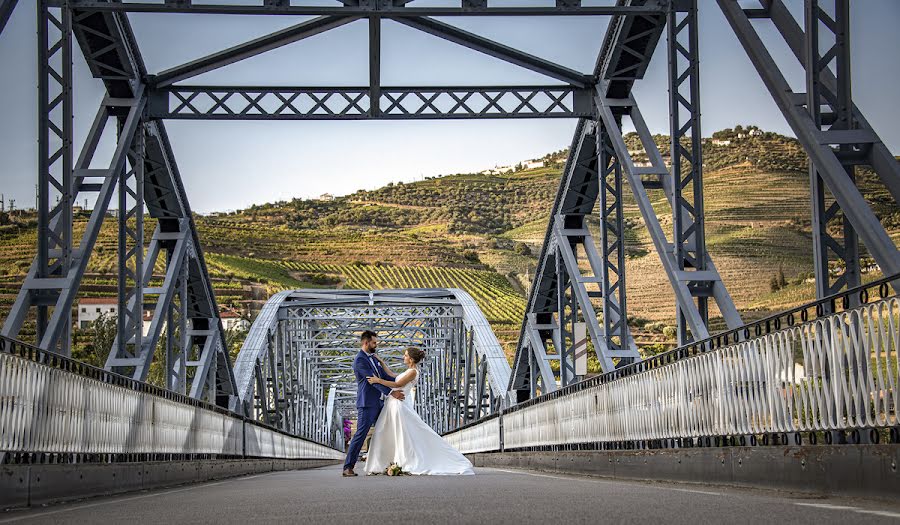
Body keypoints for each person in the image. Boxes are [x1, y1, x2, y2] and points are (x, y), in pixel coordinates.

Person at [364, 346, 475, 476]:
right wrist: (381, 362)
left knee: (401, 433)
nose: (403, 357)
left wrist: (378, 380)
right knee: (389, 431)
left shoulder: (413, 372)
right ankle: (389, 461)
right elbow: (392, 375)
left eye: (405, 356)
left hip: (398, 404)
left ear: (411, 359)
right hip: (392, 404)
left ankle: (403, 461)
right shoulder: (409, 371)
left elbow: (397, 385)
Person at [342, 331, 405, 477]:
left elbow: (384, 376)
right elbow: (372, 381)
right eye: (374, 342)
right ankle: (348, 467)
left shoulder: (374, 359)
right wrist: (392, 392)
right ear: (366, 343)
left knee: (389, 429)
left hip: (379, 403)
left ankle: (390, 463)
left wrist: (403, 378)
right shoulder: (360, 360)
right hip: (367, 404)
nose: (377, 345)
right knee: (361, 434)